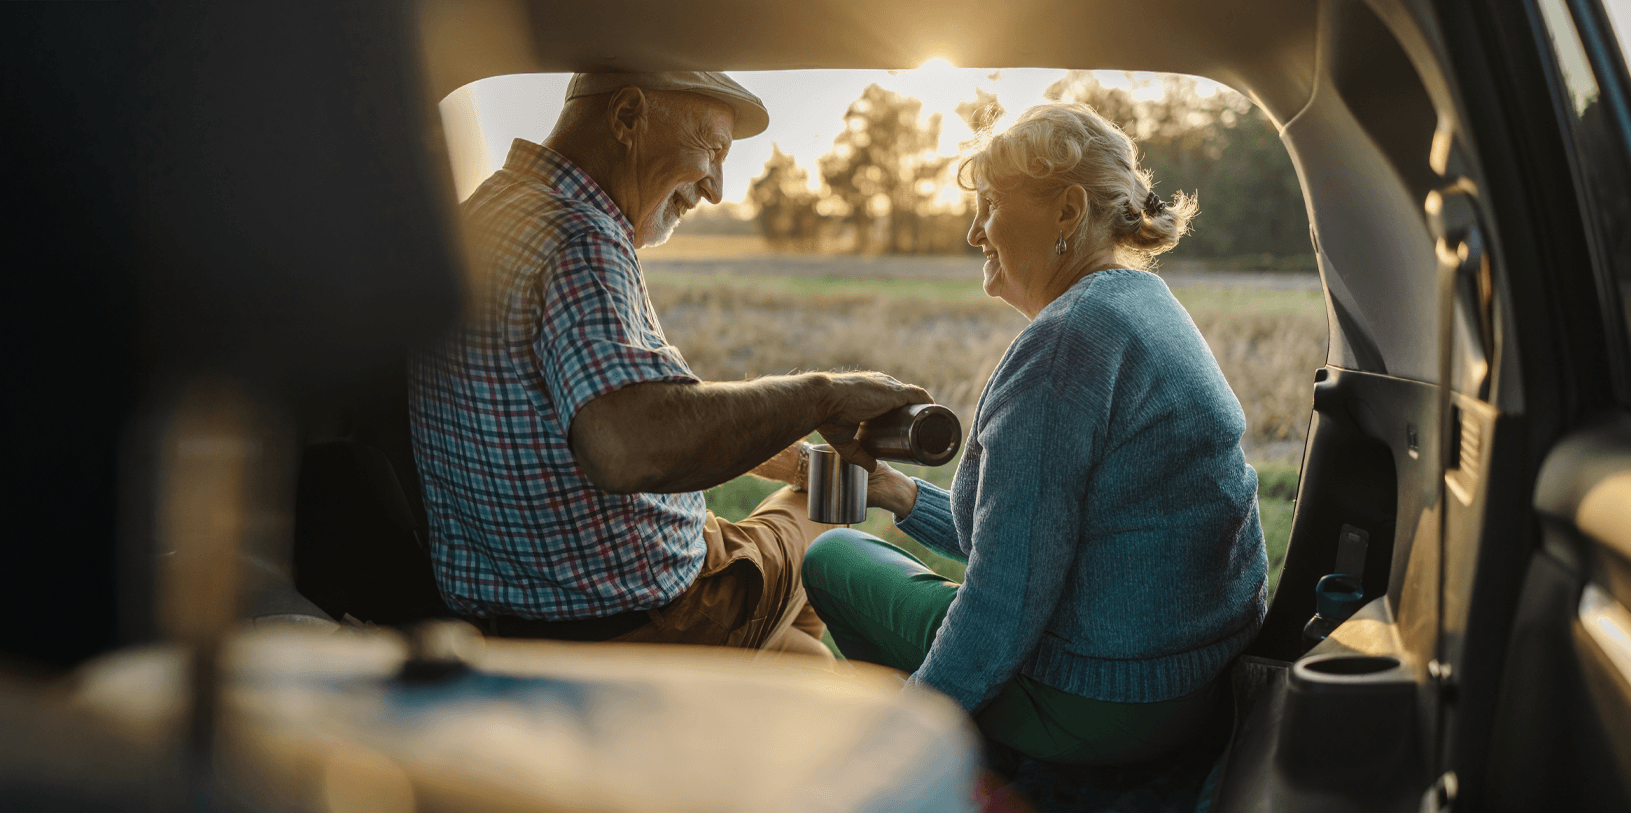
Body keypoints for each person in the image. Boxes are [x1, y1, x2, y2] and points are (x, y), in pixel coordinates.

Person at [801, 102, 1269, 764]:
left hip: (1104, 705)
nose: (973, 232)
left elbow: (1003, 603)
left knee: (833, 558)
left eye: (989, 205)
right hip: (1198, 680)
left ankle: (970, 761)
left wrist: (895, 745)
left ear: (1067, 212)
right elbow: (1032, 539)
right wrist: (897, 492)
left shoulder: (1065, 346)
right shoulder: (1145, 305)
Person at [409, 72, 930, 657]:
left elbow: (628, 405)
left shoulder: (483, 213)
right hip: (653, 617)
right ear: (628, 116)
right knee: (828, 507)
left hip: (516, 611)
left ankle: (786, 668)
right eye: (713, 149)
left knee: (800, 642)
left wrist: (795, 460)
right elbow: (630, 443)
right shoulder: (580, 237)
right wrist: (823, 395)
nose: (716, 189)